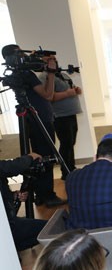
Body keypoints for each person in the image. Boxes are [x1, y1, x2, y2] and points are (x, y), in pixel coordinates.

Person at [2, 44, 65, 207]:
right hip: (40, 119)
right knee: (46, 157)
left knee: (37, 155)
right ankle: (48, 195)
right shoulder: (26, 75)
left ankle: (40, 194)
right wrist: (51, 73)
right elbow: (48, 95)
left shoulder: (16, 74)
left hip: (31, 119)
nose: (24, 56)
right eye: (20, 53)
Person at [40, 68, 82, 180]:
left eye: (54, 59)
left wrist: (75, 90)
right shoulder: (45, 77)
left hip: (71, 113)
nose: (54, 61)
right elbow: (48, 97)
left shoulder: (63, 75)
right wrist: (68, 93)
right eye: (51, 60)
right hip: (60, 116)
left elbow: (70, 89)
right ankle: (66, 171)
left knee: (71, 143)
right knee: (66, 144)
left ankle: (71, 168)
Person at [1, 153, 47, 251]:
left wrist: (13, 195)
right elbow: (8, 167)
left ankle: (11, 251)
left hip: (7, 224)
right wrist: (29, 158)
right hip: (6, 228)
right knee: (53, 228)